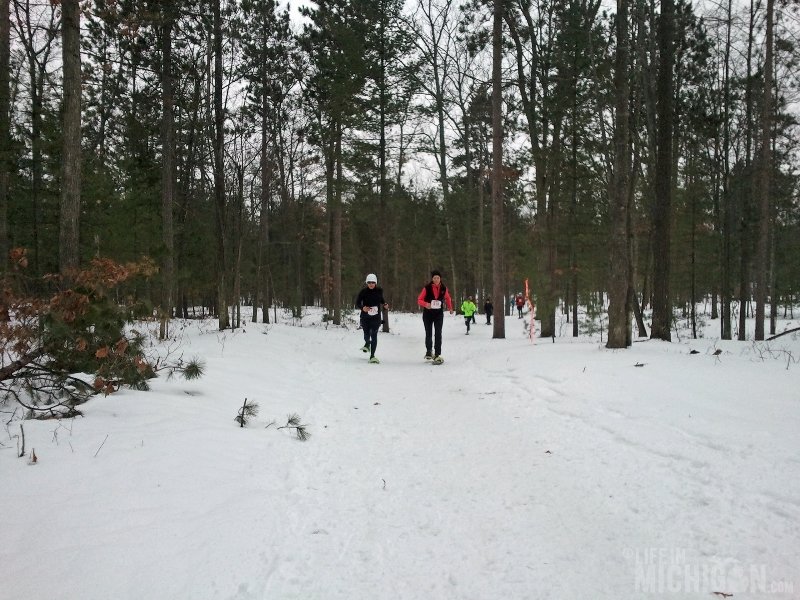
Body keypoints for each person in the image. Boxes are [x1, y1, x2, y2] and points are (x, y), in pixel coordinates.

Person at [417, 270, 454, 364]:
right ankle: (429, 351)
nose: (436, 279)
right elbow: (419, 300)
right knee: (428, 333)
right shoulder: (427, 288)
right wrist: (426, 304)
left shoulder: (444, 288)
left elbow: (448, 298)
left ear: (440, 279)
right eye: (434, 278)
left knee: (438, 333)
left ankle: (437, 354)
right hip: (428, 314)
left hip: (438, 314)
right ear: (432, 279)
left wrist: (450, 308)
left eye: (438, 278)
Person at [355, 273, 388, 364]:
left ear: (375, 283)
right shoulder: (363, 292)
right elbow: (357, 302)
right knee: (366, 334)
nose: (371, 284)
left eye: (373, 282)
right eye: (369, 282)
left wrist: (385, 304)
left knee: (374, 334)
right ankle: (367, 343)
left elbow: (381, 299)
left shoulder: (379, 291)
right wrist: (363, 308)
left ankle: (372, 356)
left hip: (376, 318)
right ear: (366, 283)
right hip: (365, 317)